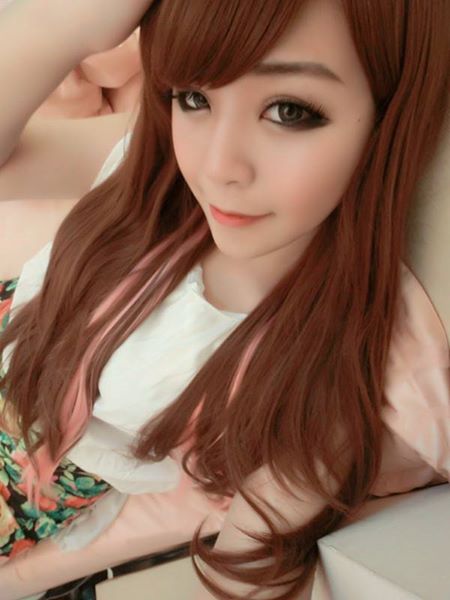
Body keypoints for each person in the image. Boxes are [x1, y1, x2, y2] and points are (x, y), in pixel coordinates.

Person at [0, 0, 449, 599]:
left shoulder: (314, 385)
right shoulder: (156, 169)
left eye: (289, 111)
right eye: (193, 97)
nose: (217, 168)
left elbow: (245, 569)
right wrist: (62, 27)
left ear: (386, 117)